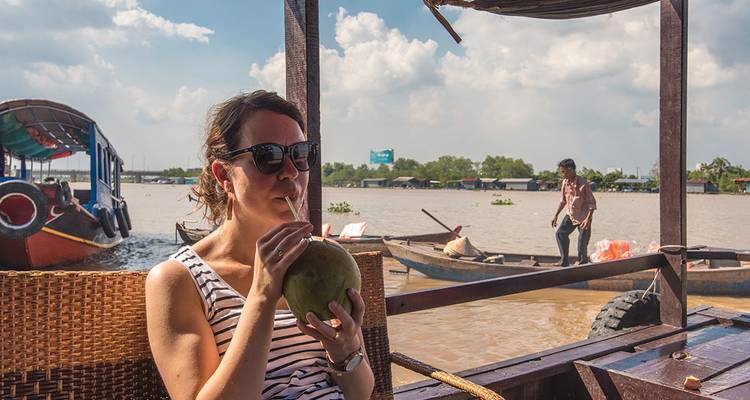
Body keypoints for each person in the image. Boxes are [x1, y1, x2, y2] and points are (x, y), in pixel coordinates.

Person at [146, 90, 374, 400]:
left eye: (299, 154)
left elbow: (361, 393)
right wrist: (263, 295)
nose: (291, 171)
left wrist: (345, 349)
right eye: (268, 157)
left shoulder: (321, 260)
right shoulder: (180, 279)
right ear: (224, 175)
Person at [551, 158, 596, 266]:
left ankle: (582, 263)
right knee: (560, 234)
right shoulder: (565, 183)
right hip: (571, 215)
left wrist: (587, 219)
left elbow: (592, 204)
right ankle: (564, 261)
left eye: (563, 171)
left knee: (582, 243)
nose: (562, 174)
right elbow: (563, 201)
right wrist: (555, 215)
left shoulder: (583, 184)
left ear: (570, 170)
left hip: (584, 217)